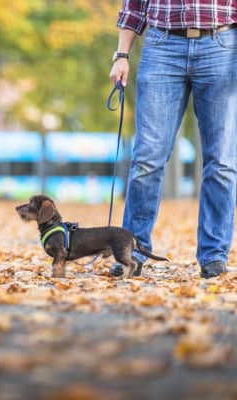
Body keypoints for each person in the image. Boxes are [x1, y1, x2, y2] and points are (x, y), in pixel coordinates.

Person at [109, 1, 237, 278]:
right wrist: (121, 55)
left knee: (222, 163)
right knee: (147, 159)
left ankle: (214, 255)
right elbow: (134, 5)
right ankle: (133, 252)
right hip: (162, 47)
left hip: (223, 45)